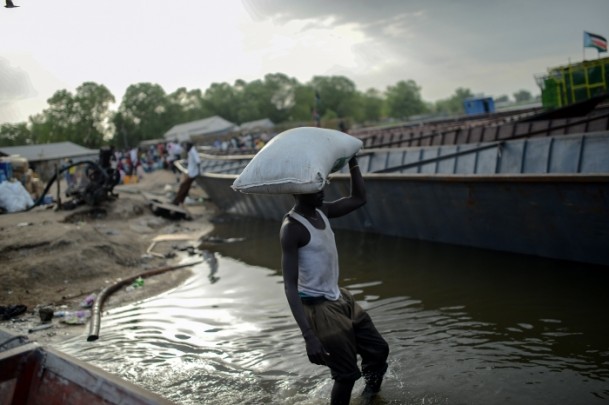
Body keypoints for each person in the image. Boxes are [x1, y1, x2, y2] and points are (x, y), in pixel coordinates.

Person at [280, 157, 389, 404]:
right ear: (297, 192)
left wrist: (353, 163)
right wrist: (309, 336)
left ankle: (370, 398)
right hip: (319, 309)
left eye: (321, 185)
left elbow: (359, 199)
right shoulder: (292, 228)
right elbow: (289, 285)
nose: (321, 191)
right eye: (314, 188)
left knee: (378, 351)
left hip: (340, 298)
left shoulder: (323, 211)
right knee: (346, 375)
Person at [172, 142, 201, 206]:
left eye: (186, 146)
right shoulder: (190, 152)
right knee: (186, 187)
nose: (185, 148)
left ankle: (177, 201)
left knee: (183, 186)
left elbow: (198, 161)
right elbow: (190, 161)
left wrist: (198, 171)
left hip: (193, 173)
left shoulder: (193, 152)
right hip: (191, 172)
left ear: (189, 146)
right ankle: (180, 201)